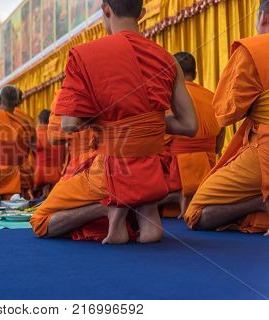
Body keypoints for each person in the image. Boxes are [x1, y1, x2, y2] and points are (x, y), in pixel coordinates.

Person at [30, 0, 197, 244]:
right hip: (151, 168)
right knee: (142, 178)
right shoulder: (167, 59)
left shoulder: (84, 55)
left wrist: (113, 125)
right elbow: (189, 126)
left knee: (40, 220)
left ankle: (109, 207)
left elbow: (68, 125)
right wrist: (143, 126)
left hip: (110, 169)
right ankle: (142, 212)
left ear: (106, 9)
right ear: (141, 13)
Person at [184, 1, 269, 236]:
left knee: (196, 213)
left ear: (262, 17)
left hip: (264, 150)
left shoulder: (255, 49)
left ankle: (261, 203)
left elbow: (226, 114)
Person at [159, 52, 223, 219]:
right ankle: (194, 192)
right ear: (195, 73)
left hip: (176, 172)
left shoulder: (168, 99)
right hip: (207, 170)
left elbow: (159, 142)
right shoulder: (214, 97)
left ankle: (177, 194)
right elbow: (218, 146)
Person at [47, 90, 95, 178]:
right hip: (109, 162)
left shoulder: (65, 94)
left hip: (78, 165)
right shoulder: (106, 89)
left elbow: (53, 137)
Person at [34, 109, 66, 197]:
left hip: (40, 173)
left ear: (39, 120)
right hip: (57, 173)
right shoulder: (59, 134)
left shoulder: (37, 133)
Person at [14, 89, 37, 199]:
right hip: (24, 165)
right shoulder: (27, 119)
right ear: (21, 100)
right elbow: (34, 145)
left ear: (0, 101)